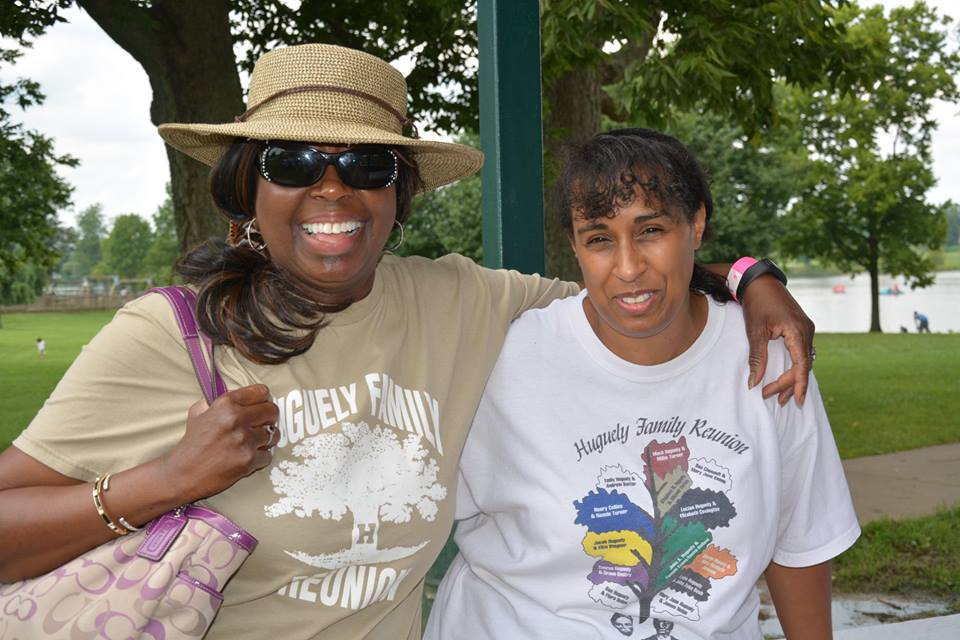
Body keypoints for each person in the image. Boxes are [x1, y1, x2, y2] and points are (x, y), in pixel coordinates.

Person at [0, 47, 814, 639]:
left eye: (366, 165)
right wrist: (164, 482)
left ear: (399, 192)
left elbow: (627, 284)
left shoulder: (458, 300)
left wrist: (753, 277)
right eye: (292, 161)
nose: (331, 188)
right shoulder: (173, 335)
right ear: (248, 183)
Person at [425, 129, 858, 640]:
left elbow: (801, 540)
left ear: (696, 225)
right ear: (575, 245)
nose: (628, 268)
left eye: (651, 230)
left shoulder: (766, 355)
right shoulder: (501, 357)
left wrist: (752, 276)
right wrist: (751, 274)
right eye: (599, 239)